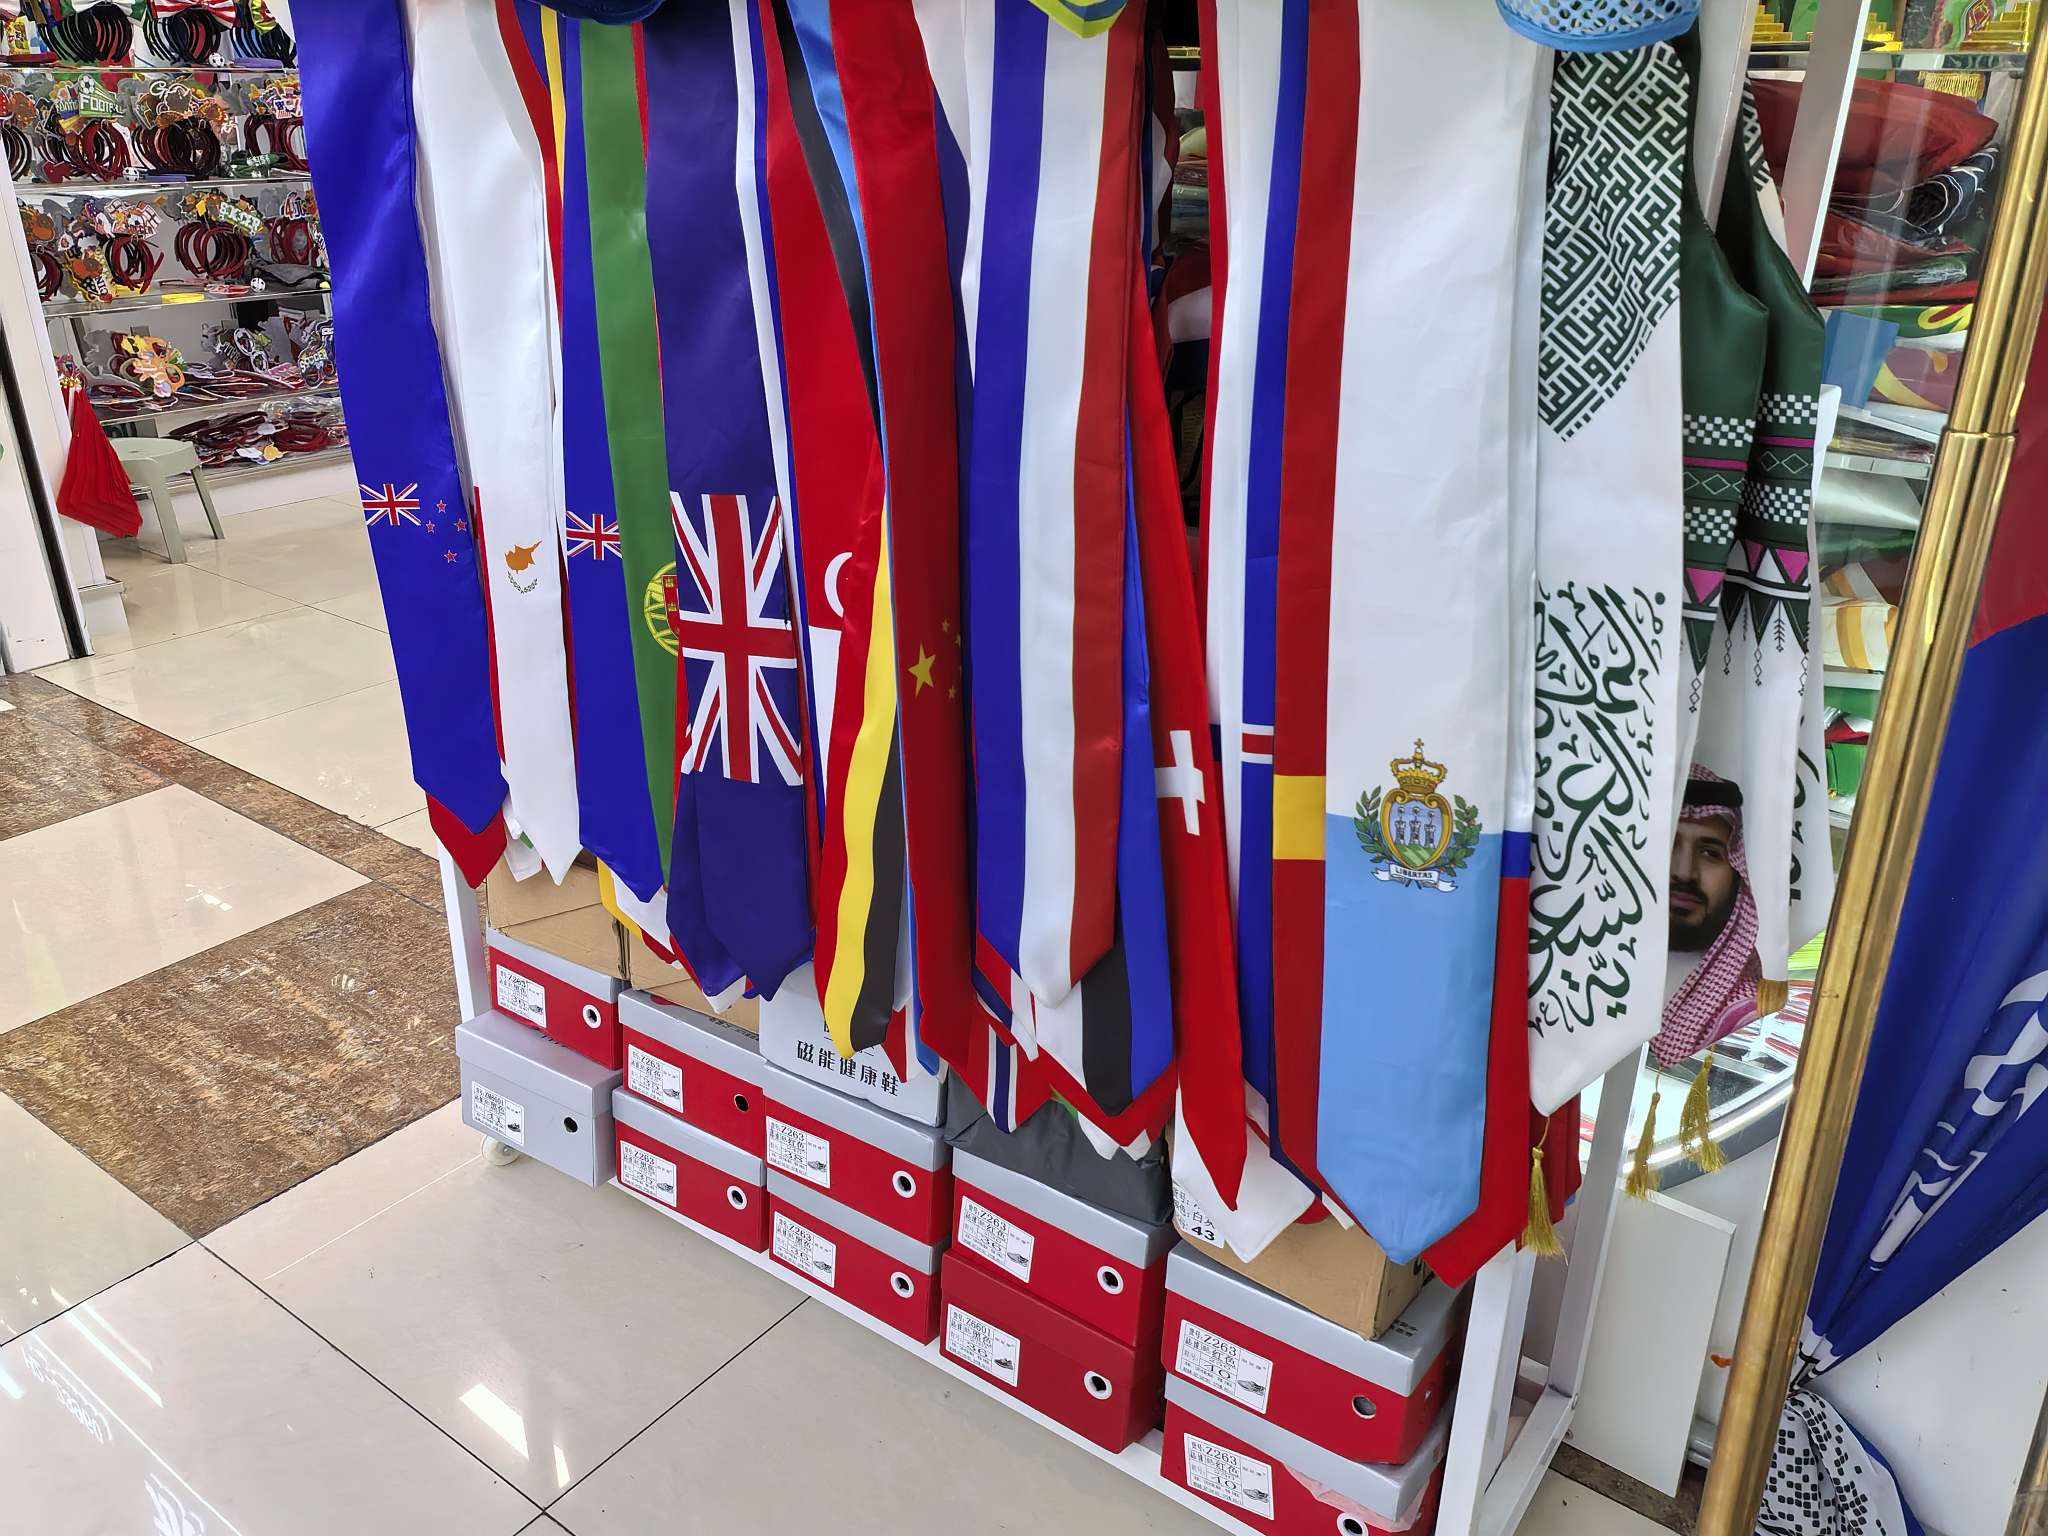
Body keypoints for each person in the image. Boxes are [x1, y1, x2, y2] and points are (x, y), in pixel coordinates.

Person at [1654, 766, 1764, 1065]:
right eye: (1668, 845)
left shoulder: (1746, 1011)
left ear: (1737, 873)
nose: (1684, 872)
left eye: (1710, 853)